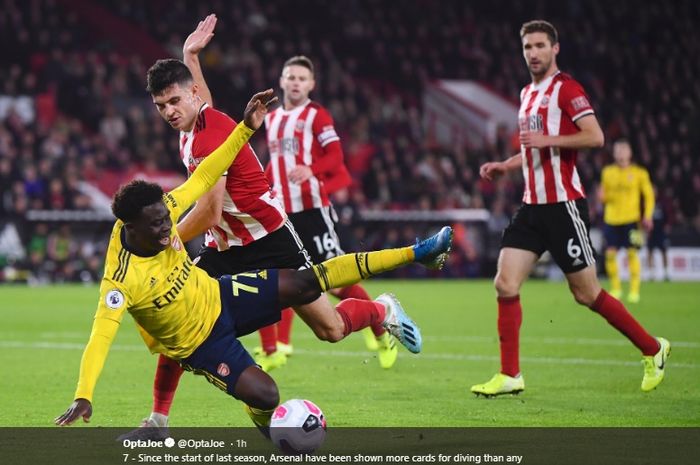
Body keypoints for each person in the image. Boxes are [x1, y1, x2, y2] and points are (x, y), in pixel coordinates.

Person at [54, 89, 454, 429]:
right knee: (267, 394)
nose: (168, 229)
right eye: (159, 227)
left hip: (220, 293)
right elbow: (98, 340)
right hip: (200, 343)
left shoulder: (161, 209)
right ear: (133, 229)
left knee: (308, 284)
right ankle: (209, 423)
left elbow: (206, 174)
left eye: (167, 220)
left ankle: (415, 254)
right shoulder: (120, 280)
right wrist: (83, 395)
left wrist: (247, 127)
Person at [472, 20, 669, 397]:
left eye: (540, 45)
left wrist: (548, 138)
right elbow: (533, 148)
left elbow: (595, 136)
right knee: (505, 283)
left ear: (555, 48)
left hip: (564, 207)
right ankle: (510, 374)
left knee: (586, 293)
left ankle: (653, 348)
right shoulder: (527, 93)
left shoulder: (567, 89)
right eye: (528, 46)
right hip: (532, 206)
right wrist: (506, 165)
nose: (533, 53)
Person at [262, 55, 395, 369]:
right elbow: (275, 163)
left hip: (312, 211)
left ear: (311, 84)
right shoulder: (271, 119)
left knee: (335, 283)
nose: (295, 82)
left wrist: (310, 169)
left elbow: (336, 157)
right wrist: (264, 187)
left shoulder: (317, 116)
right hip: (282, 213)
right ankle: (278, 347)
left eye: (301, 78)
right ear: (281, 81)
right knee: (281, 278)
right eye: (290, 77)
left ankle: (380, 327)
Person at [599, 138, 655, 303]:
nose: (621, 153)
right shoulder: (607, 172)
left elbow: (649, 196)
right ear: (614, 154)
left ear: (630, 153)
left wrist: (648, 215)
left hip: (632, 220)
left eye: (624, 150)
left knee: (632, 253)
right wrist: (602, 197)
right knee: (610, 254)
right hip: (611, 220)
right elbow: (604, 196)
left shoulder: (640, 173)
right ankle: (616, 288)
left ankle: (634, 290)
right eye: (618, 150)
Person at [647, 186, 670, 280]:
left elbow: (668, 215)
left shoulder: (662, 203)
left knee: (664, 251)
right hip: (651, 232)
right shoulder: (647, 203)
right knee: (650, 252)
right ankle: (652, 274)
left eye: (654, 190)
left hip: (660, 231)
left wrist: (667, 224)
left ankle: (666, 273)